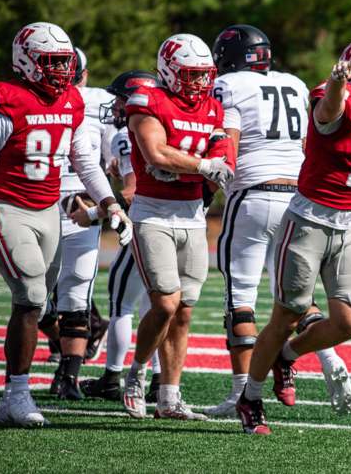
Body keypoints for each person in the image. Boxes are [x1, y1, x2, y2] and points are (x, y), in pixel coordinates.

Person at [0, 22, 132, 427]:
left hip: (50, 213)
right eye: (51, 61)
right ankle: (17, 394)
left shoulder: (71, 100)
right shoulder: (5, 99)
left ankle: (15, 392)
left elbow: (83, 160)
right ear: (26, 61)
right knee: (29, 298)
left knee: (40, 303)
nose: (61, 70)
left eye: (64, 62)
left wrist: (110, 202)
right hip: (8, 210)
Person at [236, 38, 351, 434]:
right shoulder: (336, 96)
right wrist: (337, 83)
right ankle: (251, 398)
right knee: (286, 315)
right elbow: (328, 113)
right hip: (309, 221)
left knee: (348, 323)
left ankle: (287, 356)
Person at [204, 24, 351, 417]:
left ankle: (241, 394)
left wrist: (210, 186)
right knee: (294, 296)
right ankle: (330, 359)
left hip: (253, 195)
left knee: (241, 300)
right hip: (296, 197)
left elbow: (228, 142)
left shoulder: (228, 85)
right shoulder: (293, 84)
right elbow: (308, 143)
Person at [121, 34, 234, 420]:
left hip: (192, 215)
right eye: (190, 74)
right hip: (153, 214)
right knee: (165, 304)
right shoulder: (148, 100)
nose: (199, 82)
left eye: (204, 74)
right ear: (168, 72)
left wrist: (200, 163)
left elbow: (222, 153)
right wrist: (201, 165)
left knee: (184, 311)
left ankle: (169, 397)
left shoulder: (212, 107)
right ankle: (136, 373)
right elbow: (156, 153)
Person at [79, 70, 163, 402]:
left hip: (145, 225)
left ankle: (112, 377)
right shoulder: (169, 125)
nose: (114, 106)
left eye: (119, 99)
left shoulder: (127, 134)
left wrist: (91, 214)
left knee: (122, 304)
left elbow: (132, 192)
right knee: (157, 307)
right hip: (179, 225)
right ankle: (161, 381)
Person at [49, 47, 115, 400]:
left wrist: (104, 201)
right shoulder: (28, 101)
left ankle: (68, 375)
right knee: (35, 297)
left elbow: (111, 159)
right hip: (37, 202)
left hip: (80, 201)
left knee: (76, 290)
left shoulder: (98, 103)